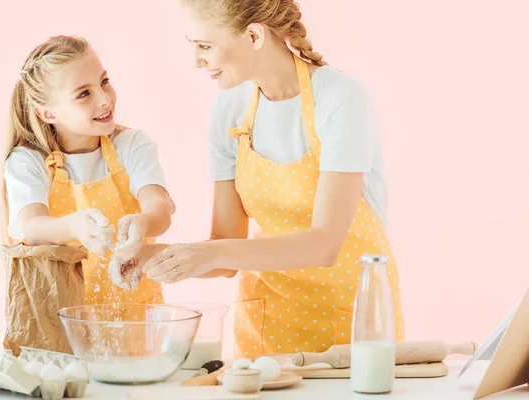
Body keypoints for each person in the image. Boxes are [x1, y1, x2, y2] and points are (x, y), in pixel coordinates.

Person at [143, 0, 405, 358]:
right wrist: (144, 256)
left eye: (204, 46)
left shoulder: (341, 98)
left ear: (253, 35)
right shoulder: (229, 110)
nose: (196, 61)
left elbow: (323, 246)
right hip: (266, 325)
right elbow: (223, 248)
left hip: (353, 323)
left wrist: (207, 252)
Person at [2, 35, 174, 306]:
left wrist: (145, 222)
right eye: (84, 93)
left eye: (104, 82)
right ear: (48, 114)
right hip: (64, 319)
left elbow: (160, 208)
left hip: (138, 316)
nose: (105, 99)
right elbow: (33, 227)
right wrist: (74, 225)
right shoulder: (29, 161)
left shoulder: (131, 145)